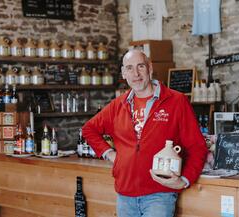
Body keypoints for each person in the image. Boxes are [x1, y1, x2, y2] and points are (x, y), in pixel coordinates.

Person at [82, 49, 208, 217]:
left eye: (140, 66)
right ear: (123, 73)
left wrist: (184, 180)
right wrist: (110, 154)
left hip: (159, 196)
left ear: (150, 67)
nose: (136, 73)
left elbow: (197, 147)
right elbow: (88, 129)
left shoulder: (177, 101)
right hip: (125, 195)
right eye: (129, 68)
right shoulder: (117, 105)